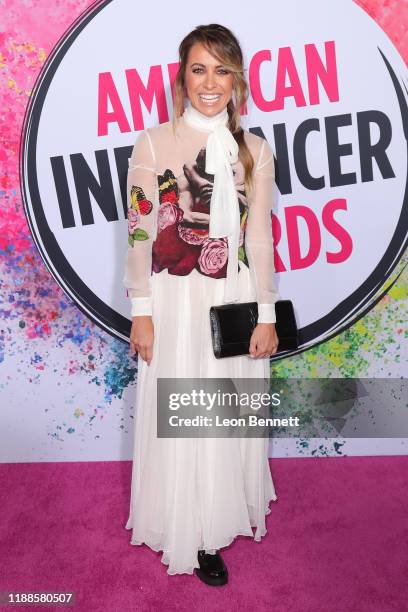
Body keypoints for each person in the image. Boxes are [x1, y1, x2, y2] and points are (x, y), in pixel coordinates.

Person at [123, 23, 279, 586]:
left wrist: (265, 313)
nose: (209, 82)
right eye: (198, 68)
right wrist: (141, 309)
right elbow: (141, 232)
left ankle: (211, 531)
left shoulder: (257, 151)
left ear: (236, 79)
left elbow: (257, 238)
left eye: (221, 69)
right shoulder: (153, 142)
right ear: (181, 76)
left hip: (230, 297)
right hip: (173, 298)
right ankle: (180, 524)